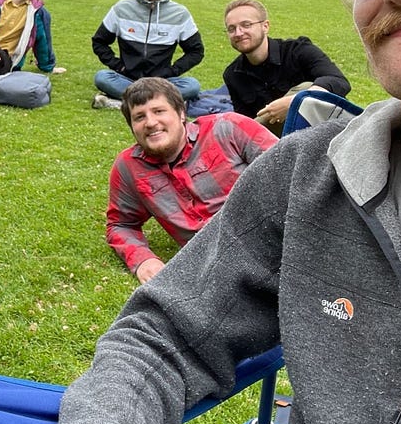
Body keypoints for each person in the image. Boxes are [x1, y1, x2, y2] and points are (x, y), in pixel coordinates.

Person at [56, 0, 401, 424]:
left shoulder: (255, 124)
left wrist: (290, 99)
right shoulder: (302, 173)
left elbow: (325, 88)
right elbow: (161, 335)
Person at [105, 77, 277, 283]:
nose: (150, 123)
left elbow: (287, 171)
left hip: (271, 238)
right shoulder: (129, 168)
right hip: (210, 266)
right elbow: (120, 224)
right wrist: (143, 260)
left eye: (159, 111)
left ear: (181, 113)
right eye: (139, 117)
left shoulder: (228, 128)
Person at [222, 0, 351, 134]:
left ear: (265, 26)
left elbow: (339, 81)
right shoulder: (233, 74)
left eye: (246, 25)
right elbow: (246, 121)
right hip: (278, 142)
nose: (239, 33)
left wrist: (296, 101)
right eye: (232, 29)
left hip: (327, 129)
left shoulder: (299, 51)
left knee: (306, 88)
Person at [91, 0, 204, 108]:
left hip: (161, 81)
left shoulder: (180, 14)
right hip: (128, 79)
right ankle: (162, 102)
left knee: (192, 86)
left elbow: (196, 51)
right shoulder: (121, 9)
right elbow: (99, 42)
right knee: (102, 78)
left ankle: (119, 103)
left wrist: (172, 71)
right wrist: (119, 67)